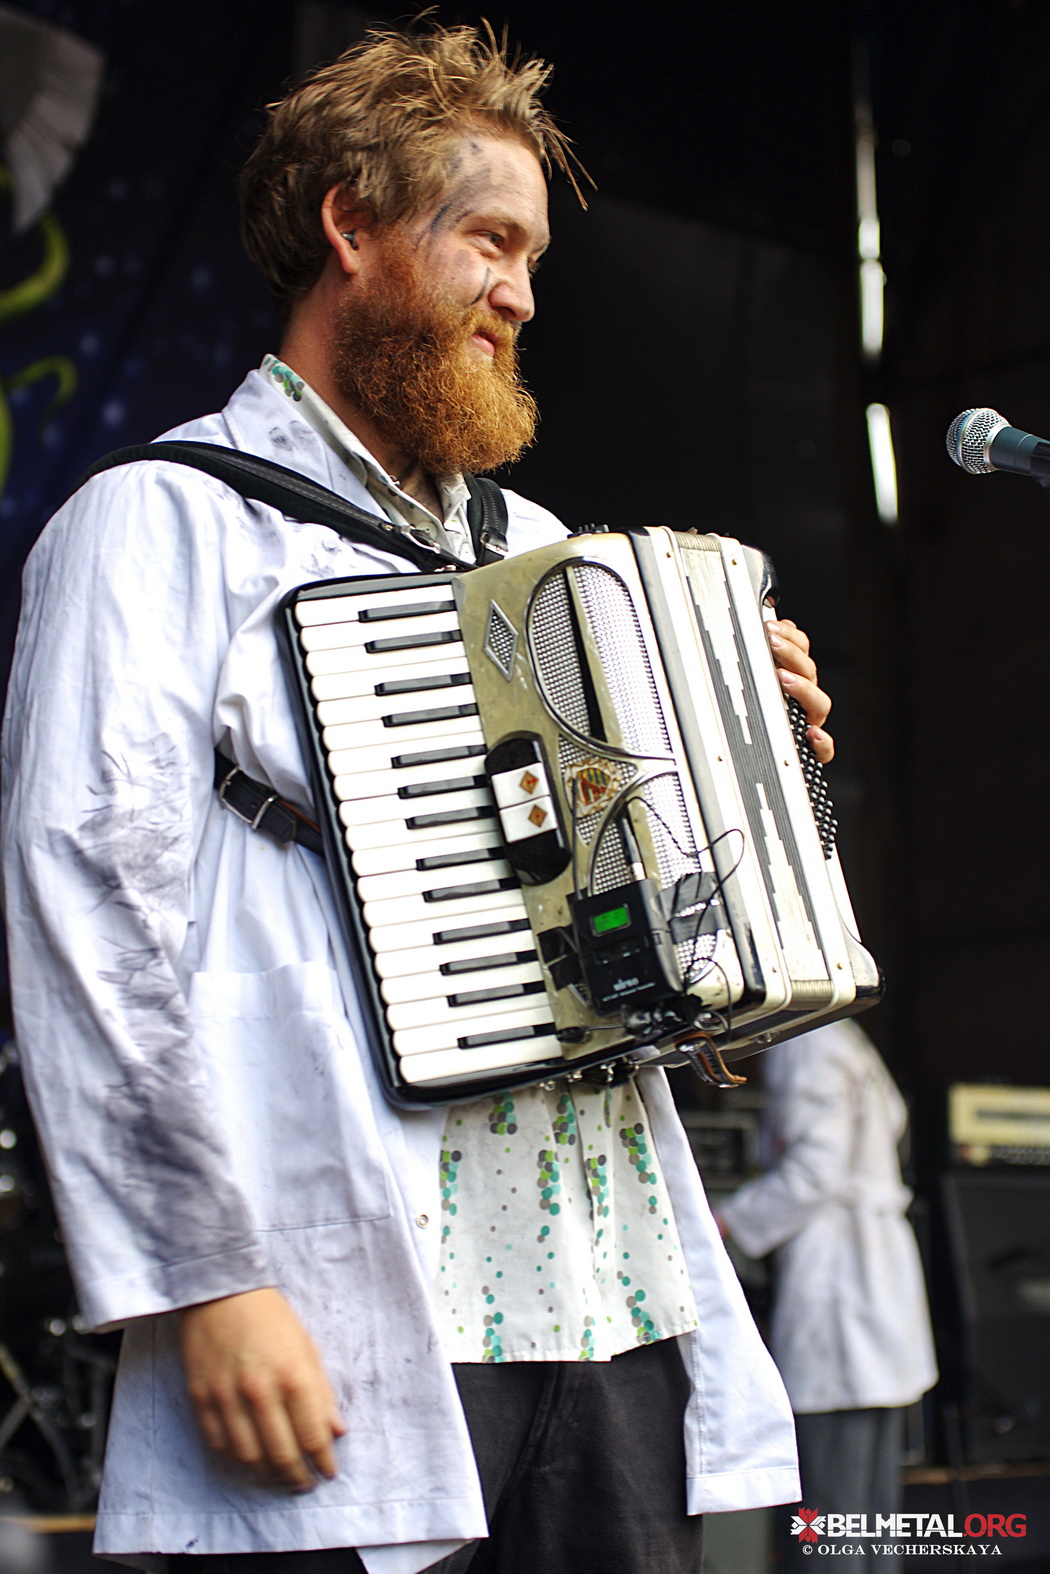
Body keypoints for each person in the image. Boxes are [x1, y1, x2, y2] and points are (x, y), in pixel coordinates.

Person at [1, 24, 837, 1574]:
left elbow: (647, 950)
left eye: (532, 257)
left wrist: (749, 772)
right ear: (351, 227)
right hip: (340, 1300)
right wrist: (200, 1280)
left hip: (607, 1291)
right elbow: (86, 918)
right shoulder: (156, 524)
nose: (522, 294)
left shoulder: (551, 555)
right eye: (489, 241)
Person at [717, 1019, 938, 1570]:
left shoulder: (806, 1040)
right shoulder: (846, 1035)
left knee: (829, 1512)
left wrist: (726, 1220)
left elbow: (815, 1171)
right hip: (875, 1281)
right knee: (869, 1518)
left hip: (839, 1282)